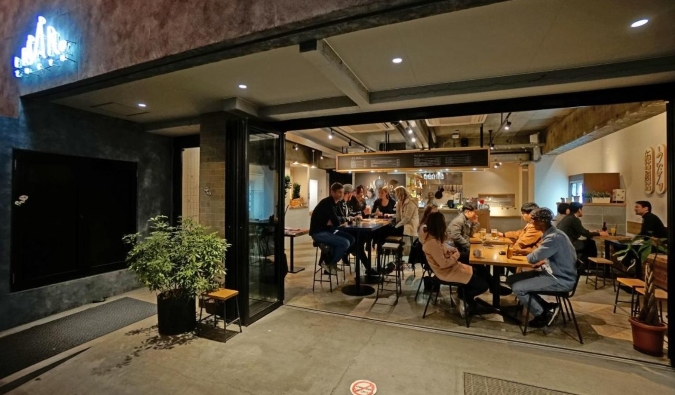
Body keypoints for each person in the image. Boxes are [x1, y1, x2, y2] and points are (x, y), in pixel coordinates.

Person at [506, 208, 578, 328]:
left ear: (541, 222)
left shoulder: (553, 237)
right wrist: (545, 260)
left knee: (518, 288)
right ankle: (547, 306)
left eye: (533, 219)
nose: (531, 222)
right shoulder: (556, 233)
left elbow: (532, 258)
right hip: (554, 272)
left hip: (560, 279)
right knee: (511, 279)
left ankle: (542, 314)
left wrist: (532, 254)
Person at [422, 212, 489, 317]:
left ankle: (465, 295)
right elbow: (443, 264)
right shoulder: (432, 243)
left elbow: (445, 248)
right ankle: (465, 297)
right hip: (446, 273)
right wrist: (456, 255)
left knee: (478, 271)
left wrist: (452, 250)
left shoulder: (435, 238)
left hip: (452, 268)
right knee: (483, 285)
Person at [309, 183, 355, 274]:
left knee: (351, 239)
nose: (341, 195)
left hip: (329, 230)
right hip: (318, 232)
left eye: (342, 192)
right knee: (345, 243)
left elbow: (340, 218)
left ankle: (328, 260)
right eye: (339, 192)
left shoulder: (336, 202)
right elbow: (337, 222)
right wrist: (339, 220)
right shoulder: (327, 203)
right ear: (332, 192)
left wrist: (339, 220)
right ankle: (330, 264)